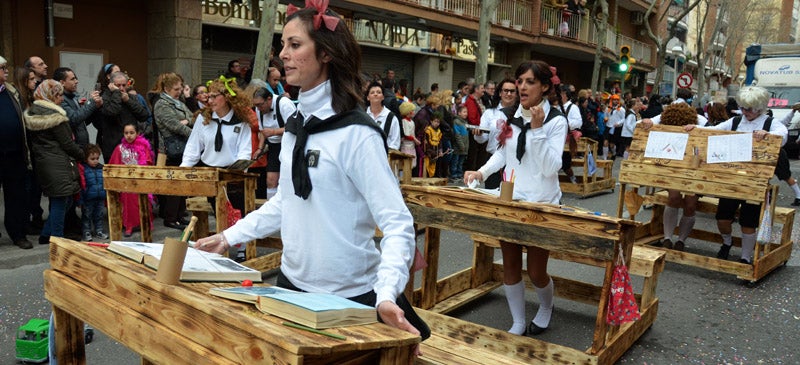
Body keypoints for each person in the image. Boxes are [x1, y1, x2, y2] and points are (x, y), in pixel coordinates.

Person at [194, 1, 429, 352]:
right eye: (282, 44)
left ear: (327, 54)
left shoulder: (357, 134)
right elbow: (287, 202)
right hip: (290, 287)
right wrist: (229, 236)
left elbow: (397, 223)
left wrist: (385, 293)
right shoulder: (295, 127)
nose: (282, 54)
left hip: (350, 298)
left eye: (295, 44)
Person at [463, 60, 567, 336]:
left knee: (535, 270)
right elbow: (503, 153)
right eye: (520, 81)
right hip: (509, 198)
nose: (522, 87)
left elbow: (550, 167)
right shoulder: (509, 116)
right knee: (509, 263)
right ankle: (518, 321)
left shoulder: (556, 121)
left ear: (544, 87)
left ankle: (545, 308)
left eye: (530, 82)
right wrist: (481, 173)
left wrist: (538, 129)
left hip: (542, 204)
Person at [684, 86, 788, 264]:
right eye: (743, 108)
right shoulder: (735, 121)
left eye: (749, 108)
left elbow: (783, 135)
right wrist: (696, 128)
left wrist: (768, 135)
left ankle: (746, 257)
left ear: (760, 107)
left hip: (755, 180)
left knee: (748, 222)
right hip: (731, 179)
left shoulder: (771, 123)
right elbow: (714, 130)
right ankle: (727, 242)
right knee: (723, 218)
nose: (745, 112)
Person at [24, 80, 85, 246]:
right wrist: (83, 155)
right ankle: (57, 240)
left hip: (44, 163)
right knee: (60, 202)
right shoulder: (56, 118)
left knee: (65, 201)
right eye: (58, 95)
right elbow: (68, 144)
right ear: (50, 96)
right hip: (58, 164)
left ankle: (46, 234)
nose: (61, 99)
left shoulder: (33, 113)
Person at [643, 102, 700, 251]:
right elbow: (644, 122)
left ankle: (681, 240)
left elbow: (712, 131)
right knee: (674, 197)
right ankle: (667, 238)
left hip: (694, 171)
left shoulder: (700, 121)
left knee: (690, 202)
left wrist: (697, 129)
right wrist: (647, 121)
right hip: (673, 170)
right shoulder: (661, 119)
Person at [0, 55, 34, 249]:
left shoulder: (11, 91)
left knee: (16, 196)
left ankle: (18, 234)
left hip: (14, 154)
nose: (6, 71)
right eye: (2, 68)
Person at [153, 72, 194, 229]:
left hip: (183, 146)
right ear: (167, 88)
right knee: (174, 184)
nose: (179, 92)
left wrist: (186, 121)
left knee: (182, 182)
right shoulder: (162, 104)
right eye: (176, 89)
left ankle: (179, 215)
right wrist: (193, 133)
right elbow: (174, 126)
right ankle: (171, 218)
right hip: (171, 148)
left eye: (180, 88)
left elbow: (193, 117)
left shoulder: (178, 102)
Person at [109, 122, 154, 237]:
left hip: (141, 181)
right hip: (126, 184)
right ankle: (129, 226)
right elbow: (114, 165)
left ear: (137, 133)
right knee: (128, 205)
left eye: (131, 133)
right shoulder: (120, 148)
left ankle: (144, 223)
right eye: (126, 133)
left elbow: (148, 162)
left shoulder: (143, 147)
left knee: (143, 202)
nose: (129, 135)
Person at [96, 71, 150, 162]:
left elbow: (144, 115)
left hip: (131, 147)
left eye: (124, 85)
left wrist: (128, 101)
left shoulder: (130, 98)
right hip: (112, 147)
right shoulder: (105, 97)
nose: (121, 88)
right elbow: (113, 111)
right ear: (111, 85)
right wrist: (116, 93)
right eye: (118, 86)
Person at [475, 78, 519, 189]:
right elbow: (482, 139)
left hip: (514, 162)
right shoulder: (490, 113)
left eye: (512, 91)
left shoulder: (521, 113)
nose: (509, 94)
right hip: (493, 158)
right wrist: (478, 134)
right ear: (500, 93)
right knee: (492, 195)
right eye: (505, 90)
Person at [253, 87, 296, 200]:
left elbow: (295, 126)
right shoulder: (259, 109)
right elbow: (262, 131)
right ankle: (270, 205)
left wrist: (274, 132)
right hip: (274, 146)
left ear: (269, 99)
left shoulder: (284, 104)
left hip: (290, 143)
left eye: (260, 105)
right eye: (256, 105)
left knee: (287, 178)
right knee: (271, 180)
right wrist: (259, 148)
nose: (258, 108)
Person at [55, 67, 103, 148]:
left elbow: (83, 122)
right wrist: (91, 103)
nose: (77, 81)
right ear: (62, 82)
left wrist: (95, 106)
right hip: (74, 147)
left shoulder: (73, 97)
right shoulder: (60, 100)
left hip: (82, 146)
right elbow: (73, 119)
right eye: (72, 79)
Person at [78, 144, 108, 241]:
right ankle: (86, 231)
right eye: (92, 158)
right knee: (87, 216)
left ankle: (99, 230)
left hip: (100, 197)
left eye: (97, 158)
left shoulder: (101, 168)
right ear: (86, 159)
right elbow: (82, 186)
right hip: (88, 198)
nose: (95, 161)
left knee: (99, 215)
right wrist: (80, 200)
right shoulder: (84, 169)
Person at [366, 81, 401, 150]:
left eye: (379, 92)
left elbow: (395, 142)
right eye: (372, 92)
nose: (375, 94)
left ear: (383, 97)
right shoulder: (362, 115)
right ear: (368, 97)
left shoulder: (391, 117)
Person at [450, 105, 469, 181]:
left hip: (464, 146)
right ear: (459, 113)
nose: (466, 113)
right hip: (458, 147)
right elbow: (457, 135)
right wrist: (461, 145)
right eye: (464, 112)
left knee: (461, 162)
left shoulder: (465, 122)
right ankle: (453, 174)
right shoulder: (456, 122)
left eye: (466, 112)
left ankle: (459, 173)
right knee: (455, 161)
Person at [398, 101, 420, 168]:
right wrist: (415, 139)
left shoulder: (412, 122)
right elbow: (406, 134)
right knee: (405, 164)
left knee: (411, 164)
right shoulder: (404, 121)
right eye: (412, 111)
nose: (414, 112)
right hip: (406, 145)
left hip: (411, 146)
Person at [424, 111, 445, 177]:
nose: (437, 123)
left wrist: (440, 151)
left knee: (435, 169)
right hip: (429, 153)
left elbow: (440, 142)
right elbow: (426, 143)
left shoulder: (439, 131)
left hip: (436, 152)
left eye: (438, 122)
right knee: (427, 168)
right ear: (431, 121)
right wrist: (429, 152)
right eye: (435, 121)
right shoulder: (428, 130)